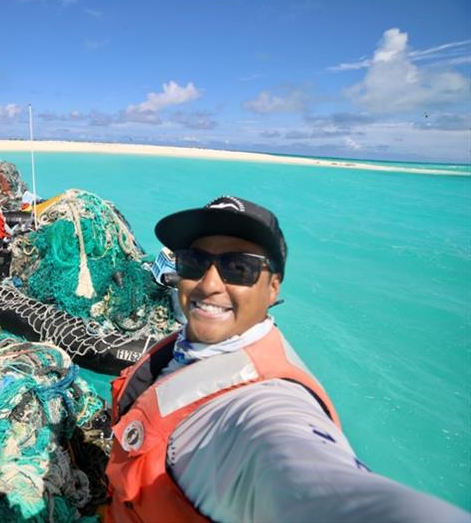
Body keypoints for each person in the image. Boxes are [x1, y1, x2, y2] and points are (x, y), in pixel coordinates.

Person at [105, 195, 469, 522]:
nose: (208, 284)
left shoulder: (263, 410)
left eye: (239, 268)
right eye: (194, 262)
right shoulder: (184, 348)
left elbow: (314, 479)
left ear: (274, 286)